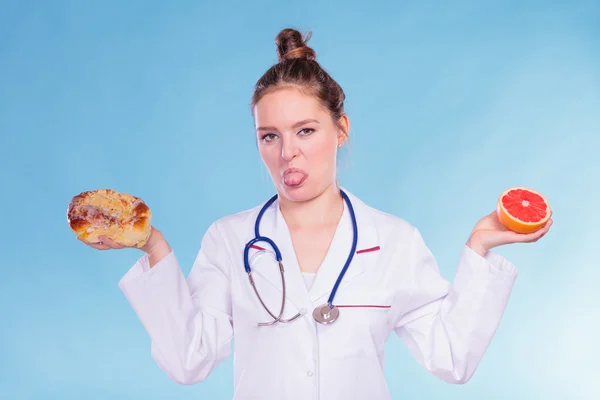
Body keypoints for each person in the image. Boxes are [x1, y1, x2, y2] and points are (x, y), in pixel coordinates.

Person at [85, 28, 552, 400]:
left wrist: (479, 248)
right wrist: (154, 246)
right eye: (270, 136)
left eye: (305, 130)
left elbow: (452, 358)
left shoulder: (393, 240)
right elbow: (189, 361)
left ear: (340, 129)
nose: (288, 153)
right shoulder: (230, 240)